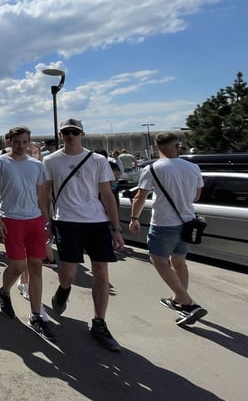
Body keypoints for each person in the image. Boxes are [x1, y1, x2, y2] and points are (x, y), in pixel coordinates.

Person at [41, 118, 124, 352]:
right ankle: (63, 289)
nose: (70, 135)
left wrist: (116, 229)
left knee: (101, 272)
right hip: (66, 221)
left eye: (74, 132)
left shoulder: (98, 160)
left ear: (82, 134)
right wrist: (47, 220)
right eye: (66, 132)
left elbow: (107, 194)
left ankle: (99, 322)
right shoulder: (50, 160)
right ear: (60, 134)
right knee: (68, 272)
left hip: (97, 222)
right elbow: (46, 192)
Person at [130, 132, 207, 326]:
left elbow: (140, 197)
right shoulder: (193, 167)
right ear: (177, 145)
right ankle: (177, 300)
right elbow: (196, 196)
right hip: (187, 222)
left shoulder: (152, 169)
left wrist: (134, 218)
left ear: (157, 147)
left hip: (164, 223)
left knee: (158, 260)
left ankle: (188, 303)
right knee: (179, 261)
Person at [0, 127, 55, 339]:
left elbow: (42, 193)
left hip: (35, 219)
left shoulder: (37, 165)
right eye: (17, 141)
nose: (21, 145)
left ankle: (36, 315)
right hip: (11, 219)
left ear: (29, 142)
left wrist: (47, 220)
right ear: (9, 141)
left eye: (25, 141)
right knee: (18, 266)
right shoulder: (0, 162)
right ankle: (5, 290)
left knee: (36, 266)